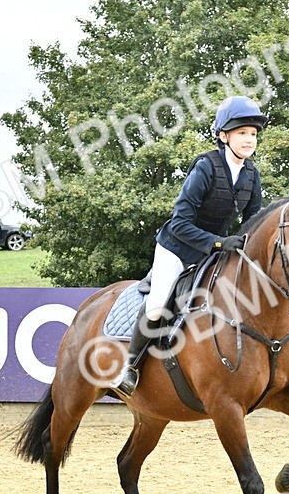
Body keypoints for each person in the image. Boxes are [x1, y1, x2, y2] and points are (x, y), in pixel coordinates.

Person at [112, 95, 267, 395]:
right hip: (177, 247)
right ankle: (130, 367)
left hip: (213, 254)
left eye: (253, 134)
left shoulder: (251, 174)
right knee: (158, 305)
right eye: (242, 133)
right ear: (223, 136)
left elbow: (253, 221)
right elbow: (181, 222)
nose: (249, 139)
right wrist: (220, 242)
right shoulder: (206, 167)